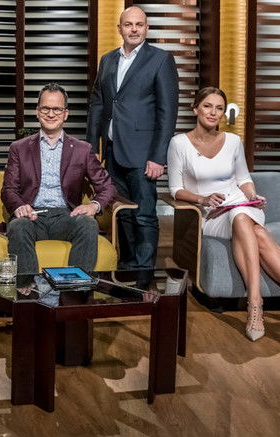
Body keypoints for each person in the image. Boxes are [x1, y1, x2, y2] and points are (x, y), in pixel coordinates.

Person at [166, 87, 280, 341]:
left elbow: (243, 179)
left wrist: (253, 195)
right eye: (207, 106)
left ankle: (255, 303)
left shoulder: (233, 141)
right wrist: (203, 199)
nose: (213, 112)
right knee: (261, 235)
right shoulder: (179, 143)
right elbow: (175, 189)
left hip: (241, 206)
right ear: (195, 109)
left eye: (219, 108)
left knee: (242, 217)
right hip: (211, 214)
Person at [86, 6, 179, 288]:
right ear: (120, 28)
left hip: (143, 155)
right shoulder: (107, 60)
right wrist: (92, 147)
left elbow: (167, 112)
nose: (134, 29)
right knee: (122, 213)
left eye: (139, 24)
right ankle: (126, 269)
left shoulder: (161, 60)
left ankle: (143, 277)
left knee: (144, 215)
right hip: (112, 151)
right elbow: (98, 104)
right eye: (128, 24)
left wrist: (158, 156)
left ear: (146, 28)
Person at [2, 83, 116, 274]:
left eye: (57, 109)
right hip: (32, 216)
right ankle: (27, 288)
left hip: (66, 216)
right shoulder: (19, 148)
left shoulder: (82, 149)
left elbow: (107, 187)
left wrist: (93, 206)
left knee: (88, 224)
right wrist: (19, 206)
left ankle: (74, 285)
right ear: (37, 112)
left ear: (65, 114)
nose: (51, 114)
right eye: (45, 108)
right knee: (17, 226)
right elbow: (8, 189)